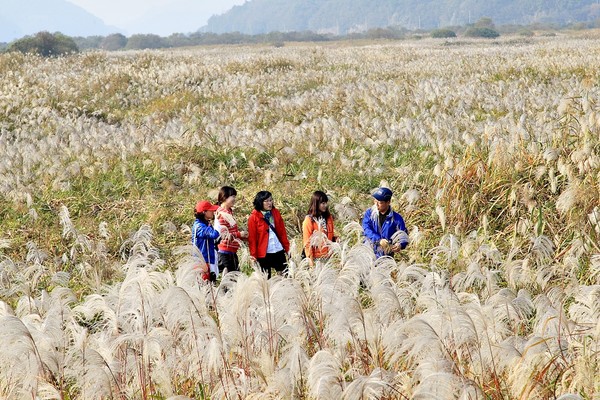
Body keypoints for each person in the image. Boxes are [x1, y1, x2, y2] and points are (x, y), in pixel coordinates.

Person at [247, 191, 290, 278]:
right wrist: (253, 255)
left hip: (278, 249)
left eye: (271, 200)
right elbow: (252, 238)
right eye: (266, 201)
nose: (270, 203)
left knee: (285, 275)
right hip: (264, 253)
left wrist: (287, 248)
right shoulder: (254, 217)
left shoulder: (275, 213)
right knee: (266, 279)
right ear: (260, 202)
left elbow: (282, 232)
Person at [362, 187, 408, 258]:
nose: (376, 204)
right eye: (375, 201)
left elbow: (403, 235)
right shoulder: (370, 213)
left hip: (386, 257)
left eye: (380, 202)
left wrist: (400, 245)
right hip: (369, 253)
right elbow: (366, 229)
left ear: (388, 202)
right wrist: (379, 240)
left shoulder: (396, 219)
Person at [215, 186, 248, 274]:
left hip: (231, 251)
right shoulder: (221, 214)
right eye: (232, 196)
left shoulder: (228, 211)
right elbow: (224, 235)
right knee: (232, 279)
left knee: (235, 278)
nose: (234, 199)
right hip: (225, 251)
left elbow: (231, 230)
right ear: (224, 197)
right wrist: (239, 234)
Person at [302, 190, 337, 266]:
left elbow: (330, 236)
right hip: (316, 258)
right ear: (316, 204)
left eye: (326, 203)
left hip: (328, 256)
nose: (325, 205)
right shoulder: (309, 220)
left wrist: (336, 240)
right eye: (322, 203)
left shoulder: (328, 217)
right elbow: (307, 243)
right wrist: (311, 261)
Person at [192, 200, 220, 283]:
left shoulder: (205, 223)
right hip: (203, 261)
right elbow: (214, 234)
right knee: (206, 287)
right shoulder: (199, 226)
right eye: (210, 210)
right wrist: (217, 221)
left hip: (208, 260)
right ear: (204, 212)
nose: (213, 212)